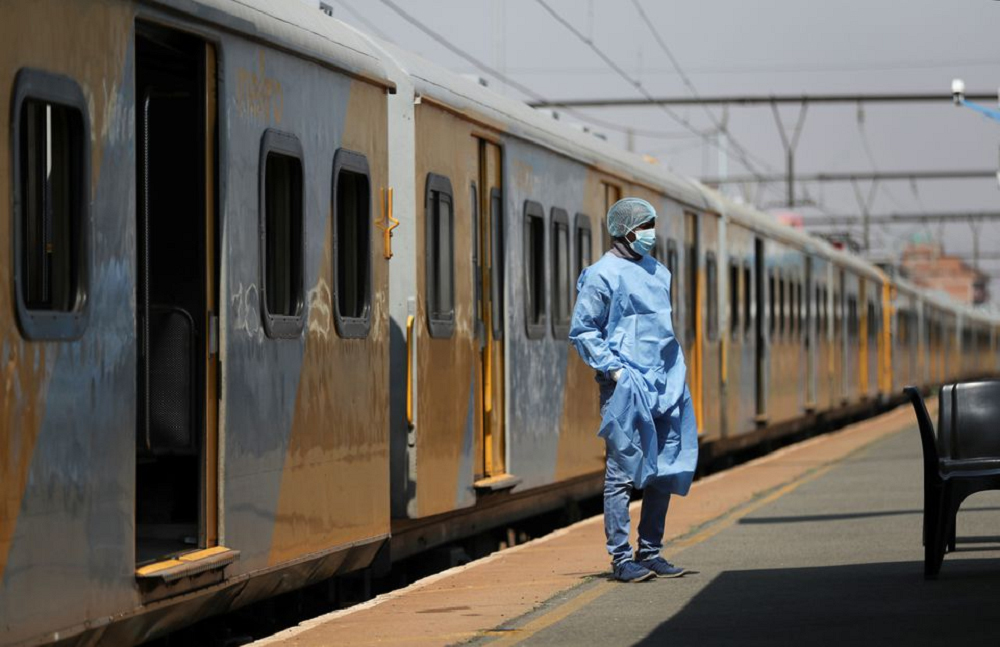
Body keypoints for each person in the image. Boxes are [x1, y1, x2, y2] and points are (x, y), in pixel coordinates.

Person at [569, 197, 699, 583]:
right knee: (622, 473)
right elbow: (584, 329)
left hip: (665, 383)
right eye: (646, 225)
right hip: (625, 386)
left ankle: (651, 550)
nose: (651, 233)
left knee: (664, 469)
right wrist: (613, 370)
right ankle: (621, 557)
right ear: (626, 231)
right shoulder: (600, 275)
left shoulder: (659, 272)